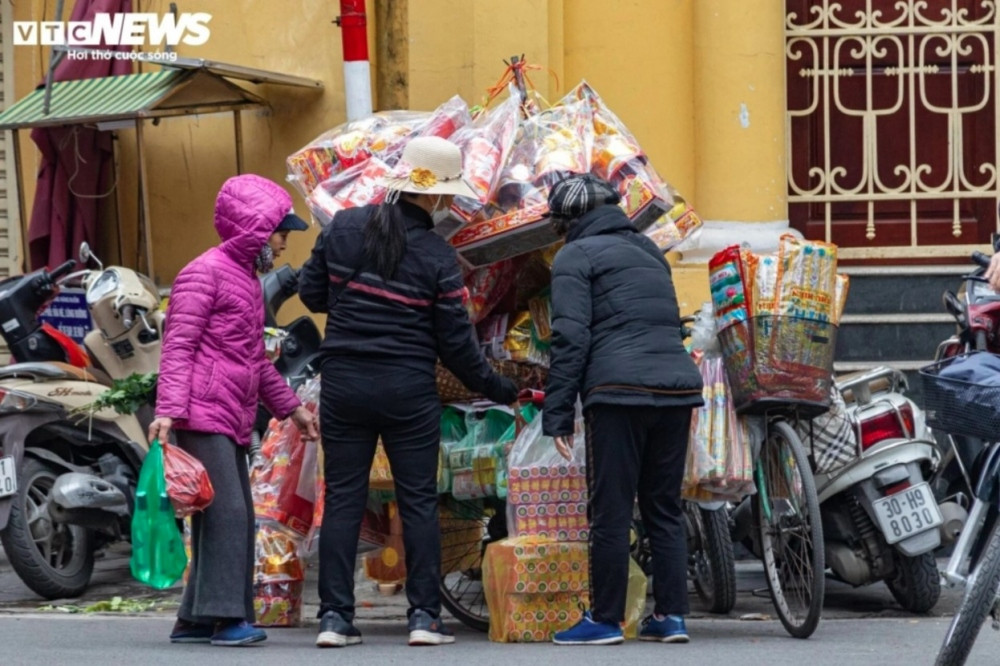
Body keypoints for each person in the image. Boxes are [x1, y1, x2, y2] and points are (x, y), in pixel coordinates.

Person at [298, 136, 518, 648]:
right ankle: (424, 618)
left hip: (345, 385)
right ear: (437, 196)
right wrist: (497, 388)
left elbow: (311, 293)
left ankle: (334, 619)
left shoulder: (345, 226)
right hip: (407, 389)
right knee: (417, 500)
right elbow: (457, 346)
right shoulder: (438, 256)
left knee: (344, 501)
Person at [149, 174, 319, 647]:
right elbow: (178, 346)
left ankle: (194, 620)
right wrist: (167, 412)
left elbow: (252, 360)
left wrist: (293, 410)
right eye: (280, 232)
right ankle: (226, 619)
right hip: (201, 414)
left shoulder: (245, 279)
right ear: (254, 229)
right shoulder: (202, 273)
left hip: (225, 411)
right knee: (229, 515)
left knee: (222, 514)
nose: (285, 243)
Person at [542, 173, 704, 646]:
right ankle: (671, 616)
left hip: (617, 392)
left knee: (611, 511)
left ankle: (606, 620)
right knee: (663, 508)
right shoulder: (651, 251)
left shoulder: (576, 255)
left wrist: (557, 413)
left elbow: (571, 337)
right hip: (676, 389)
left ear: (571, 219)